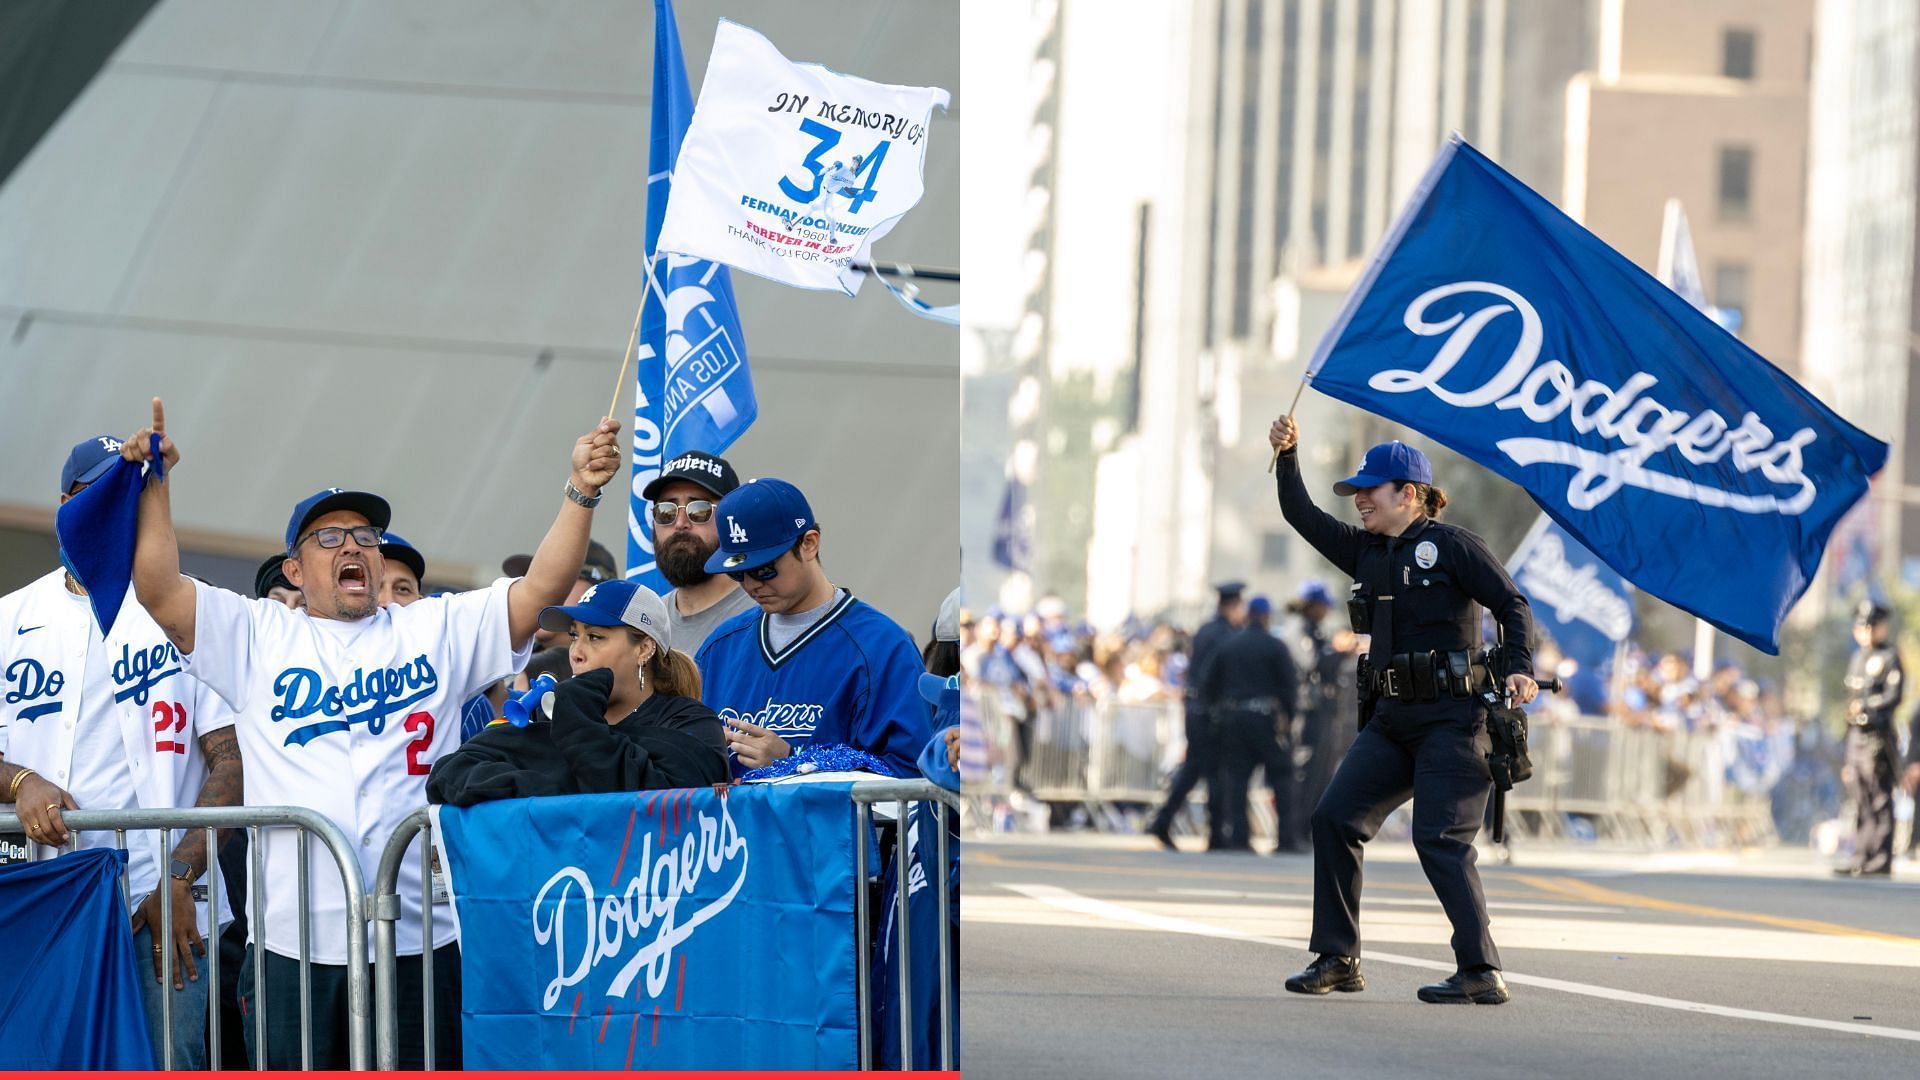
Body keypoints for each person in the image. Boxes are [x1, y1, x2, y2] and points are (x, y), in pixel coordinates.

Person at [116, 398, 620, 1068]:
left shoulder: (432, 626)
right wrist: (155, 486)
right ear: (294, 569)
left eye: (365, 536)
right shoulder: (259, 634)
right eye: (328, 537)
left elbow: (542, 590)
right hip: (294, 941)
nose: (352, 545)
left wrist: (580, 490)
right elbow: (159, 589)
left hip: (418, 932)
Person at [1269, 416, 1535, 1006]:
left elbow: (1511, 604)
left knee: (1439, 838)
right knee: (1334, 819)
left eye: (1371, 489)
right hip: (1392, 719)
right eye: (1356, 491)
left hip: (1453, 719)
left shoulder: (1454, 546)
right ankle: (1339, 958)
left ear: (1409, 494)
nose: (1359, 499)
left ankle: (1480, 970)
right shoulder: (1367, 551)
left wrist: (1518, 665)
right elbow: (1301, 516)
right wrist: (1288, 457)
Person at [0, 433, 243, 1067]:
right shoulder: (8, 619)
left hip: (159, 905)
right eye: (97, 495)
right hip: (42, 893)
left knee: (167, 1062)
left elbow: (231, 759)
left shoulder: (183, 608)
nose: (113, 512)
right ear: (64, 505)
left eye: (128, 497)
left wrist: (180, 878)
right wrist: (20, 780)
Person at [694, 477, 931, 777]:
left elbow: (913, 777)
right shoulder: (719, 648)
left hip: (831, 826)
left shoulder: (882, 646)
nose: (752, 584)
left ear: (809, 544)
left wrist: (796, 760)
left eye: (764, 568)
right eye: (739, 573)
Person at [427, 579, 728, 804]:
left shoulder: (690, 721)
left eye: (595, 637)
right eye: (574, 636)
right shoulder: (553, 715)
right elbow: (450, 773)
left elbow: (659, 802)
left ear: (644, 648)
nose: (577, 653)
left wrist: (577, 720)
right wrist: (556, 791)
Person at [1145, 582, 1246, 850]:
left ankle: (1164, 821)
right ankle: (1213, 834)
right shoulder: (1225, 634)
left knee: (1195, 769)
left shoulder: (1207, 630)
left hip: (1197, 709)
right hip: (1209, 711)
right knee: (1213, 772)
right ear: (1233, 606)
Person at [1195, 595, 1299, 853]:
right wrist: (1289, 718)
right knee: (1281, 777)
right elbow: (1289, 687)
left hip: (1233, 720)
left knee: (1237, 780)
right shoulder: (1275, 646)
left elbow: (1207, 683)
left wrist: (1217, 713)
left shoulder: (1229, 644)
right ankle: (1285, 838)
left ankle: (1240, 839)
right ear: (1266, 617)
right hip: (1266, 720)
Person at [642, 450, 757, 654]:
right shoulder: (646, 625)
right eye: (666, 511)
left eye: (699, 510)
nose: (680, 523)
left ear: (731, 519)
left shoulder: (764, 615)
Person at [1838, 601, 1901, 877]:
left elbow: (1893, 696)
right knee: (1860, 797)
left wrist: (1868, 709)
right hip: (1856, 737)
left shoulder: (1889, 657)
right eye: (1862, 626)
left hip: (1877, 737)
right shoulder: (1857, 659)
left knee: (1879, 799)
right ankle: (1861, 856)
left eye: (1872, 626)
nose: (1867, 632)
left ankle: (1880, 858)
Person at [1288, 580, 1352, 850]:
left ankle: (1308, 830)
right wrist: (1338, 652)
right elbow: (1312, 663)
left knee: (1322, 775)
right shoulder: (1298, 631)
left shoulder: (1316, 631)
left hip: (1325, 711)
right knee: (1307, 772)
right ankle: (1296, 831)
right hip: (1310, 713)